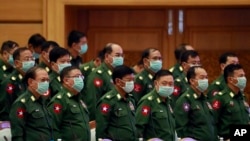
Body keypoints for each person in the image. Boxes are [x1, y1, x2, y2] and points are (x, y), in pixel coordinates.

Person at [9, 66, 54, 141]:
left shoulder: (43, 100)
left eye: (47, 80)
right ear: (30, 82)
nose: (46, 83)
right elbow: (17, 134)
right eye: (42, 80)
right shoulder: (21, 103)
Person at [174, 66, 217, 141]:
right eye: (202, 77)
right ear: (192, 81)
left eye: (206, 77)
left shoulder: (205, 99)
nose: (205, 80)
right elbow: (181, 128)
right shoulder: (185, 99)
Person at [83, 43, 124, 120]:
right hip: (102, 120)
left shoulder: (116, 74)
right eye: (117, 55)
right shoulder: (98, 75)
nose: (120, 58)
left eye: (122, 56)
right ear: (107, 56)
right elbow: (93, 102)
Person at [96, 65, 137, 140]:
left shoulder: (130, 99)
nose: (132, 83)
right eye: (129, 80)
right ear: (118, 81)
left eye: (133, 80)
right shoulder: (107, 101)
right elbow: (101, 128)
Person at [49, 66, 90, 141]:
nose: (81, 79)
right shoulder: (59, 101)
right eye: (77, 76)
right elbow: (53, 128)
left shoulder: (79, 98)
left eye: (81, 76)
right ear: (66, 80)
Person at [211, 64, 249, 140]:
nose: (244, 78)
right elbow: (212, 122)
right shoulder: (220, 98)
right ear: (230, 79)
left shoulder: (242, 97)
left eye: (244, 75)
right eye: (241, 76)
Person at [135, 69, 176, 141]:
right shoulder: (148, 101)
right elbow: (138, 128)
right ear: (156, 83)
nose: (168, 86)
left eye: (171, 84)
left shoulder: (169, 101)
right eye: (164, 83)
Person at [0, 47, 35, 121]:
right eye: (27, 59)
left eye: (32, 58)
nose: (31, 62)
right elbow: (5, 112)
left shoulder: (33, 80)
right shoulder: (10, 83)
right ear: (17, 63)